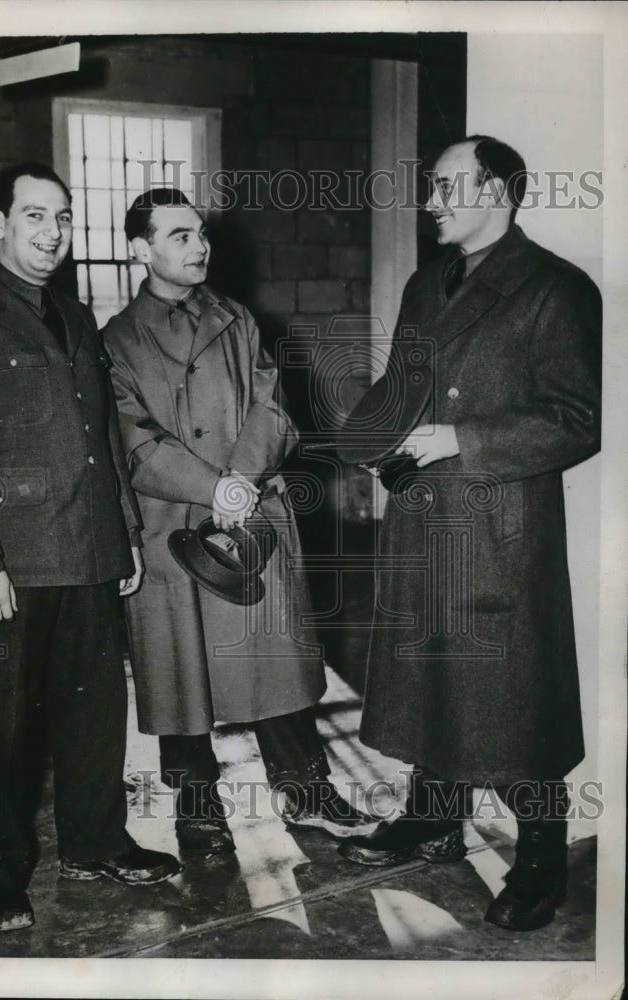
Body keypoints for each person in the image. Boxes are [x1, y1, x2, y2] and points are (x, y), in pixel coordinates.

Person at [0, 163, 181, 933]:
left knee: (95, 715)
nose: (52, 232)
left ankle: (96, 842)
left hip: (88, 550)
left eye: (60, 217)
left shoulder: (76, 317)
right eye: (34, 216)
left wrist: (122, 533)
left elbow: (102, 439)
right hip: (9, 567)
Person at [337, 136, 601, 932]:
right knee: (432, 683)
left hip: (500, 530)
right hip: (424, 517)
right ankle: (433, 818)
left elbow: (576, 419)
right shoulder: (427, 284)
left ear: (500, 193)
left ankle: (540, 861)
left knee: (516, 701)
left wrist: (462, 440)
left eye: (448, 186)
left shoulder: (556, 289)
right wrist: (350, 440)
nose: (432, 201)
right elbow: (400, 386)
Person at [101, 188, 375, 859]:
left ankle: (307, 794)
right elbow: (132, 439)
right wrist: (209, 486)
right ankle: (199, 815)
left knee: (274, 666)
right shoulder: (112, 342)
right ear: (141, 249)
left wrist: (239, 484)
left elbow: (273, 409)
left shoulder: (237, 319)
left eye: (200, 233)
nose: (199, 246)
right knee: (180, 680)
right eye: (179, 236)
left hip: (248, 518)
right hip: (173, 528)